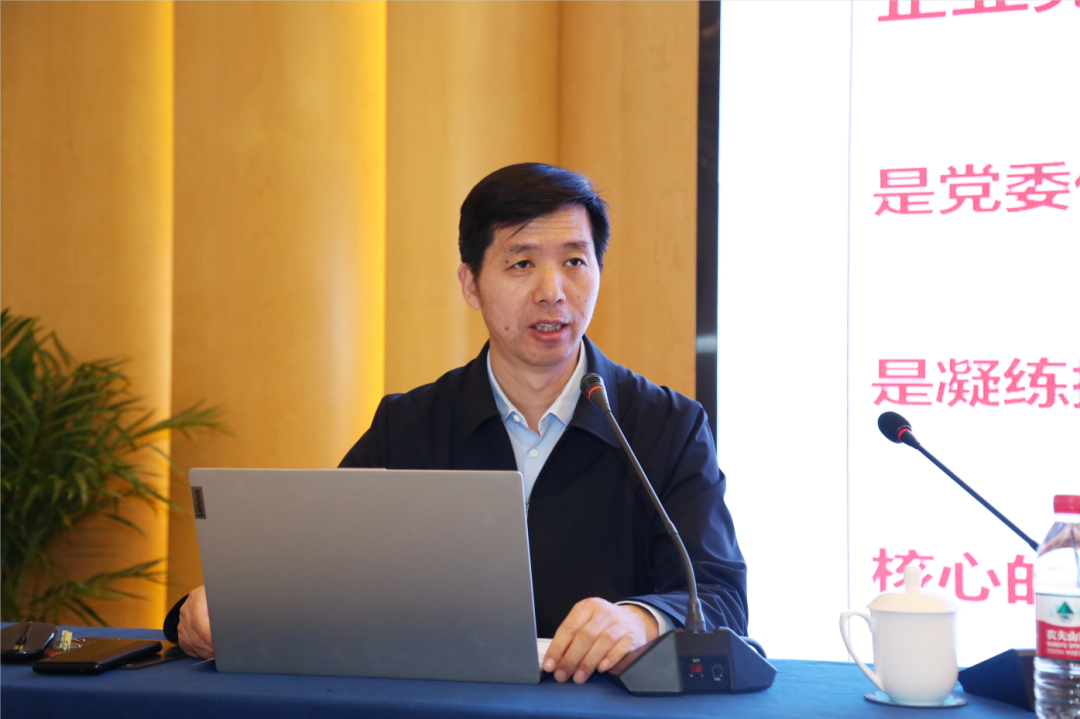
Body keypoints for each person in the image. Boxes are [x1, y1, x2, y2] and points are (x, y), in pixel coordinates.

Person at [165, 163, 748, 685]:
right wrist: (218, 607)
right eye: (522, 264)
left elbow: (721, 597)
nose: (553, 292)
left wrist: (642, 619)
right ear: (471, 284)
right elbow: (317, 572)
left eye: (575, 261)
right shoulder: (409, 425)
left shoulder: (666, 425)